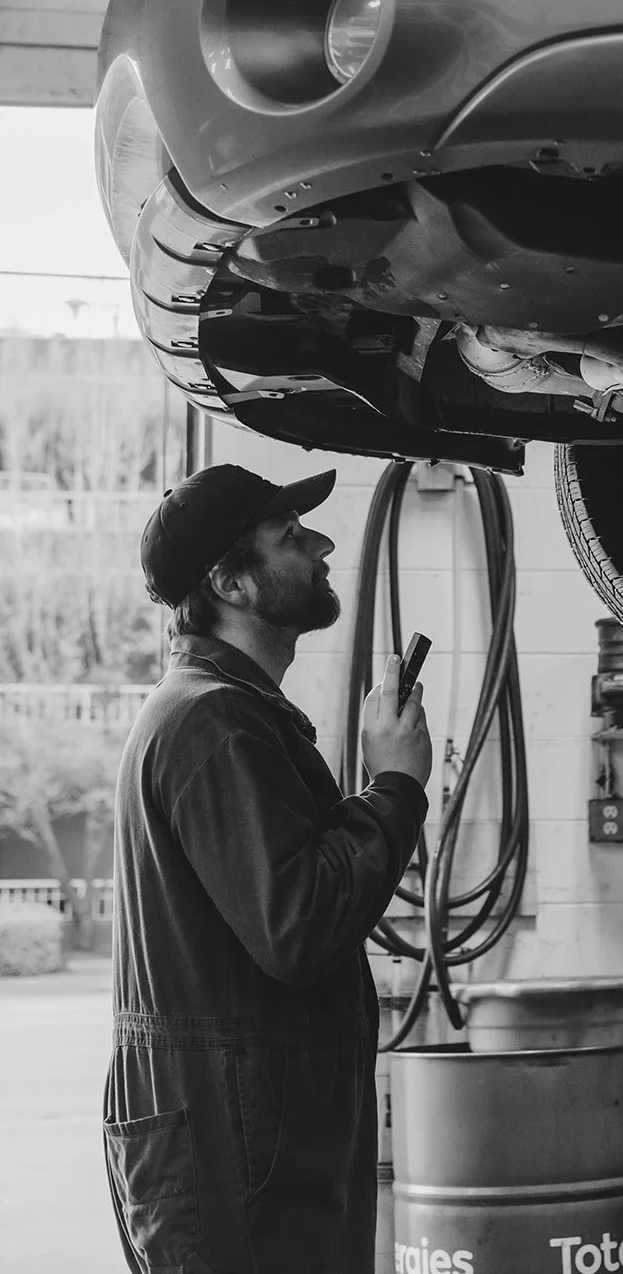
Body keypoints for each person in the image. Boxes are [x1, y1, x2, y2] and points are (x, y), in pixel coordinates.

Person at [103, 463, 431, 1274]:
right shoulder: (213, 723)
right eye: (290, 536)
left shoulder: (221, 712)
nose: (320, 545)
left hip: (245, 1137)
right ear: (230, 582)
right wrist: (393, 788)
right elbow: (300, 926)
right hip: (233, 1148)